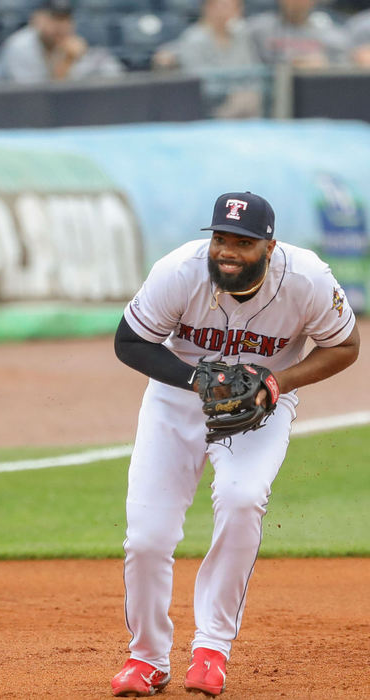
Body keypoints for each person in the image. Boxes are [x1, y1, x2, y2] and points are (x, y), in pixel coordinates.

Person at [111, 191, 360, 696]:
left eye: (242, 242)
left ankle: (212, 648)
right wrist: (196, 381)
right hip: (176, 401)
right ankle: (148, 659)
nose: (227, 250)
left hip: (261, 403)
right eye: (220, 238)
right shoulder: (179, 271)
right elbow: (129, 341)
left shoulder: (308, 280)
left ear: (269, 246)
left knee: (242, 499)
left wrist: (278, 383)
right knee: (147, 538)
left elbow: (347, 346)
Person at [152, 0, 264, 118]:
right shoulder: (193, 39)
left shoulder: (241, 36)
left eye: (236, 6)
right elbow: (199, 81)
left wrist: (243, 93)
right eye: (226, 5)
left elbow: (253, 73)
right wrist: (232, 94)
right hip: (209, 108)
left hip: (245, 103)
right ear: (209, 7)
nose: (233, 10)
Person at [0, 0, 123, 83]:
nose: (60, 26)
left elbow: (113, 75)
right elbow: (38, 98)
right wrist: (66, 62)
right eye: (54, 18)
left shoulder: (72, 43)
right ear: (37, 20)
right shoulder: (20, 46)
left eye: (65, 19)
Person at [245, 0, 350, 68]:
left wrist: (325, 66)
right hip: (271, 94)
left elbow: (347, 68)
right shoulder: (257, 29)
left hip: (315, 92)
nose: (295, 3)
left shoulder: (331, 34)